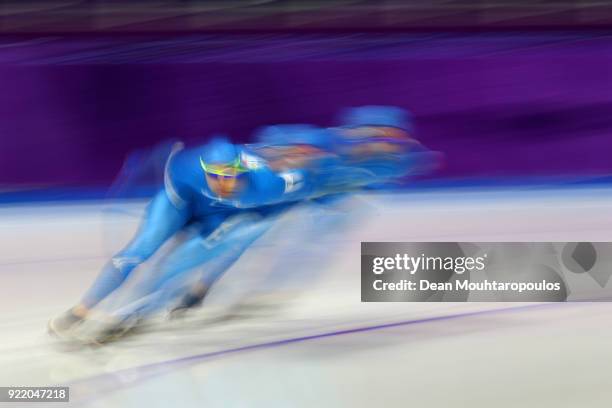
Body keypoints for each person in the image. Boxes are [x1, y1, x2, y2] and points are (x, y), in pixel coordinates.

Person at [48, 106, 436, 343]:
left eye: (389, 137)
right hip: (215, 201)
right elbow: (170, 174)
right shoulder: (252, 169)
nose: (224, 180)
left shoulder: (286, 181)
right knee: (143, 252)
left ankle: (173, 297)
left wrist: (333, 193)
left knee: (214, 249)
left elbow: (306, 187)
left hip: (270, 204)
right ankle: (86, 310)